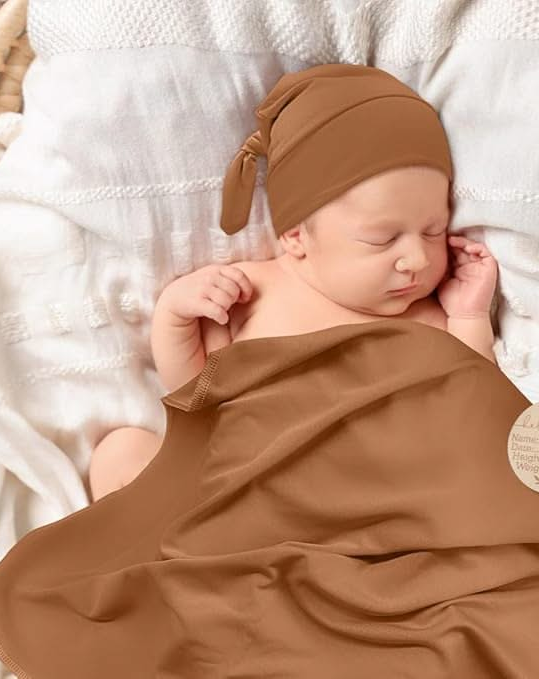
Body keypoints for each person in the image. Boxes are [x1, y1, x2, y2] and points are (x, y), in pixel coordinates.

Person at [88, 64, 498, 502]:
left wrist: (470, 315)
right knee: (121, 452)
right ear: (296, 235)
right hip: (249, 491)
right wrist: (175, 314)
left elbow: (475, 404)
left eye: (433, 231)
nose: (416, 259)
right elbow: (195, 394)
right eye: (383, 238)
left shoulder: (430, 317)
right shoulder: (251, 291)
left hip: (367, 503)